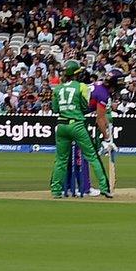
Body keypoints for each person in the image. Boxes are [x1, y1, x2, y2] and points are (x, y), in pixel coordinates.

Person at [50, 61, 110, 198]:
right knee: (92, 156)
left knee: (60, 160)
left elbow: (55, 109)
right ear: (76, 74)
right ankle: (104, 187)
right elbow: (85, 107)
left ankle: (56, 190)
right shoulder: (81, 86)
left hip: (61, 125)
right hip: (76, 124)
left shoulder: (57, 88)